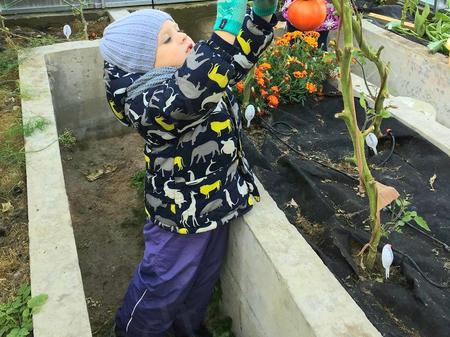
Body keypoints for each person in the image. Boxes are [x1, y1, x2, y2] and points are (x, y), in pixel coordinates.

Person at [99, 0, 278, 336]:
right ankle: (135, 331)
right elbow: (186, 95)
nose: (182, 37)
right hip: (178, 219)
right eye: (167, 40)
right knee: (163, 283)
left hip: (217, 206)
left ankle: (186, 327)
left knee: (201, 279)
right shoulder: (147, 101)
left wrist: (262, 16)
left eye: (177, 29)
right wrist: (224, 29)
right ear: (143, 67)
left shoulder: (195, 74)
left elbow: (231, 59)